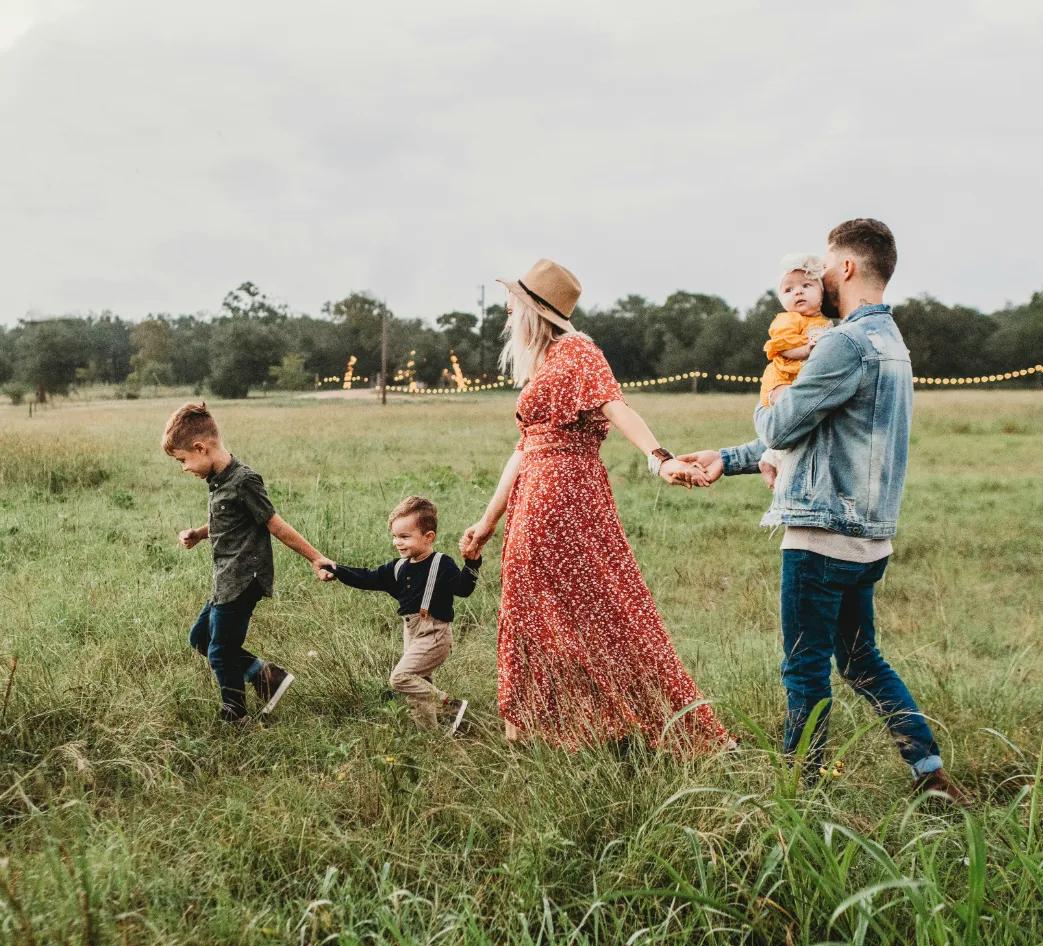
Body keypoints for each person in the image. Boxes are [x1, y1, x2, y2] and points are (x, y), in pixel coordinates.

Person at [682, 220, 964, 799]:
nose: (820, 276)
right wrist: (729, 458)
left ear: (849, 268)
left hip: (821, 535)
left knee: (804, 667)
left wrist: (773, 400)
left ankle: (798, 792)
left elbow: (784, 423)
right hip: (869, 539)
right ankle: (927, 770)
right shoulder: (892, 344)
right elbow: (820, 434)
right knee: (862, 663)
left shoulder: (843, 342)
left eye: (827, 265)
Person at [459, 258, 734, 753]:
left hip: (565, 497)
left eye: (511, 306)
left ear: (533, 311)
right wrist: (487, 520)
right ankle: (539, 727)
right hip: (534, 499)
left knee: (602, 609)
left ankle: (622, 720)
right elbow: (523, 450)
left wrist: (659, 459)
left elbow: (616, 406)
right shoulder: (543, 363)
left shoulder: (577, 350)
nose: (505, 314)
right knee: (532, 610)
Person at [163, 402, 331, 723]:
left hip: (243, 579)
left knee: (220, 651)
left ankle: (235, 714)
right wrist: (199, 533)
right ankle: (266, 677)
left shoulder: (244, 480)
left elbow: (275, 524)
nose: (184, 468)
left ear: (201, 447)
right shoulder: (219, 481)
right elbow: (229, 522)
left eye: (183, 460)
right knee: (200, 638)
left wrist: (316, 558)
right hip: (225, 579)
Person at [318, 496, 479, 732]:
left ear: (429, 537)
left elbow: (464, 589)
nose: (397, 542)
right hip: (411, 632)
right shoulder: (398, 567)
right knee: (418, 687)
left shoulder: (441, 564)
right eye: (395, 536)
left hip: (435, 633)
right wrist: (336, 569)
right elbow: (367, 577)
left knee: (401, 678)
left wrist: (472, 564)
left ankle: (450, 706)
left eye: (404, 536)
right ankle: (430, 737)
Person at [758, 253, 833, 490]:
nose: (798, 292)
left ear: (821, 293)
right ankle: (775, 462)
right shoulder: (788, 320)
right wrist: (806, 349)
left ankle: (772, 459)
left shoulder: (825, 321)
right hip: (783, 376)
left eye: (806, 285)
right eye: (789, 290)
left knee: (801, 421)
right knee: (789, 413)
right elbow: (783, 348)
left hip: (800, 377)